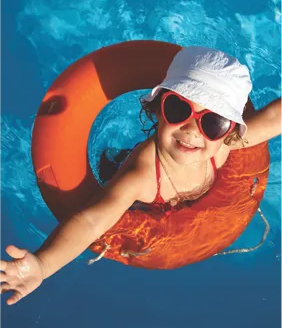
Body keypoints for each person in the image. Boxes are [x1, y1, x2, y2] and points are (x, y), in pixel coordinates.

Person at [1, 46, 281, 306]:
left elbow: (271, 119)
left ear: (230, 131)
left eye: (213, 121)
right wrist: (43, 264)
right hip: (142, 203)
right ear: (158, 108)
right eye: (178, 109)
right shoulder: (142, 175)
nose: (192, 130)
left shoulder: (226, 147)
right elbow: (91, 220)